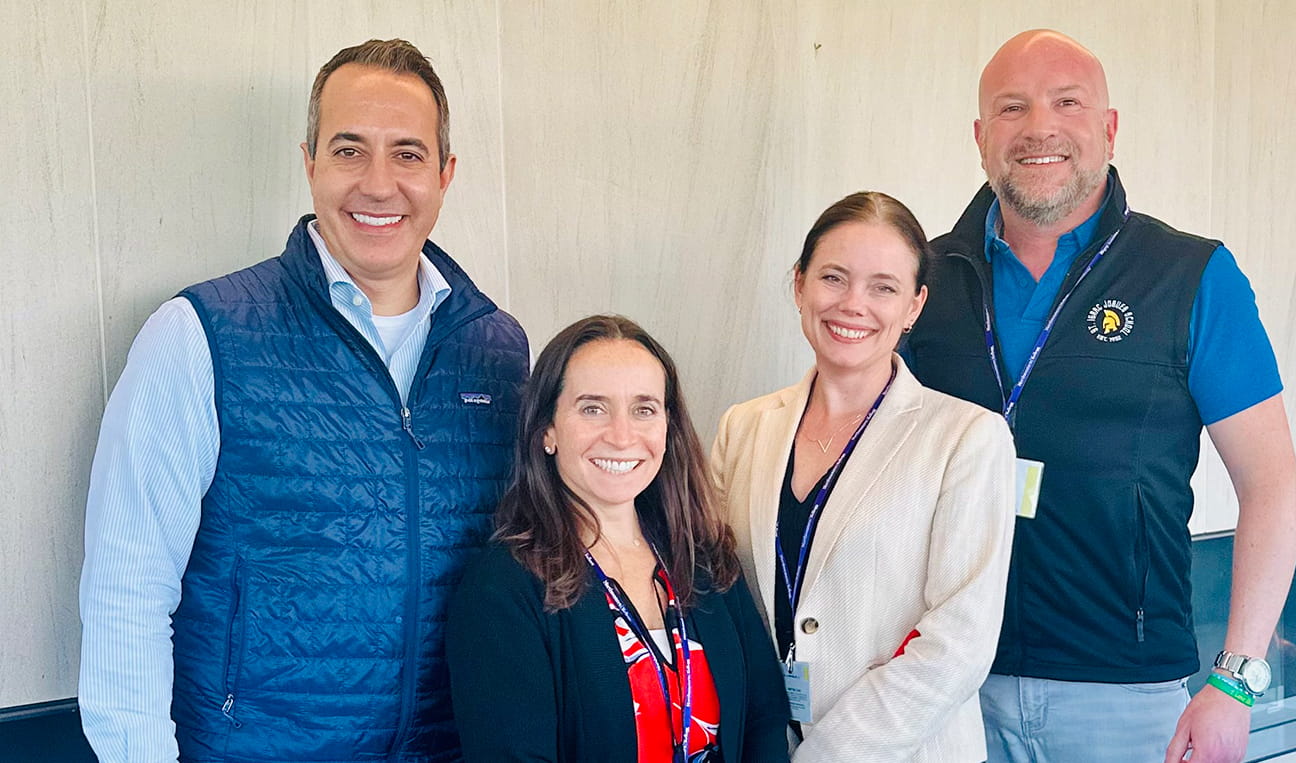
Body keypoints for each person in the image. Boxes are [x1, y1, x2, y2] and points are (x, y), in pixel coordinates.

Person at [78, 39, 528, 762]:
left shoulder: (498, 352)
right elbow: (126, 590)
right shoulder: (201, 336)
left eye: (408, 154)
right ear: (309, 160)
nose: (378, 184)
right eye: (350, 150)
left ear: (446, 175)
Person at [900, 29, 1296, 763]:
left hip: (1127, 699)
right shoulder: (919, 280)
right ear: (981, 137)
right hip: (950, 681)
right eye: (1013, 109)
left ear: (1109, 129)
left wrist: (1237, 682)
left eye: (1067, 103)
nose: (1040, 128)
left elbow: (1272, 487)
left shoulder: (1191, 275)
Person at [711, 192, 1017, 761]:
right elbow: (721, 602)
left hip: (902, 750)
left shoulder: (967, 438)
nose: (854, 304)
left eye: (883, 287)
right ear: (799, 284)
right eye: (833, 277)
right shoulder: (743, 428)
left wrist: (830, 753)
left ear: (914, 307)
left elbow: (960, 641)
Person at [448, 315, 789, 762]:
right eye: (593, 408)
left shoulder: (702, 558)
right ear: (546, 429)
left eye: (644, 409)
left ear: (668, 427)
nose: (622, 435)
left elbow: (763, 717)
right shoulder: (501, 589)